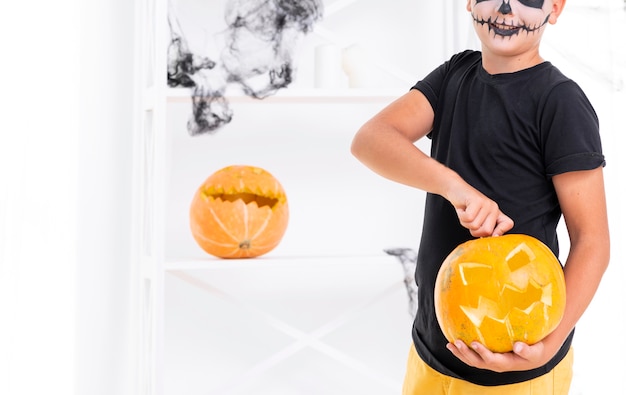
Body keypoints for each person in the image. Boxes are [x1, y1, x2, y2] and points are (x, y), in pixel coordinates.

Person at [350, 0, 610, 394]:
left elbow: (593, 241)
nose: (507, 8)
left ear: (554, 8)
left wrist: (548, 345)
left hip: (519, 371)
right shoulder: (455, 74)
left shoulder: (561, 101)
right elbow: (370, 140)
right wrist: (456, 189)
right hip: (431, 352)